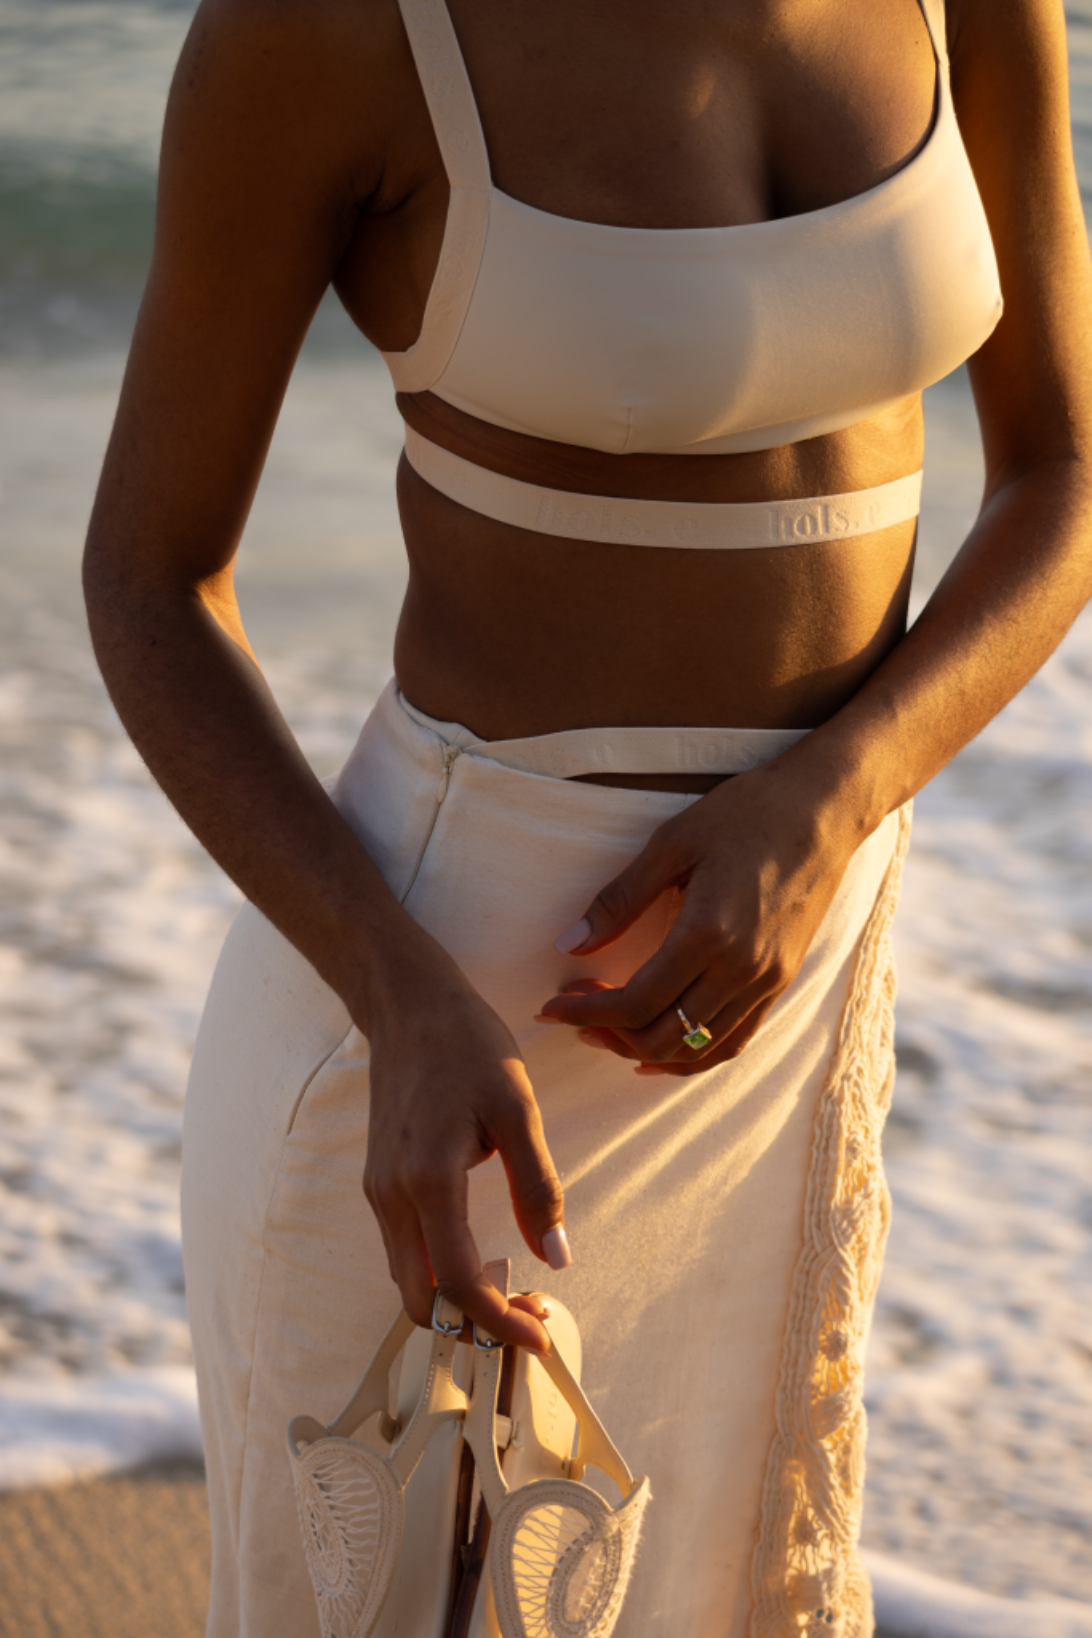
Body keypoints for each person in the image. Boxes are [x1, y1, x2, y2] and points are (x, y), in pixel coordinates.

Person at [83, 0, 1092, 1631]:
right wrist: (395, 995)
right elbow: (148, 578)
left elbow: (1063, 478)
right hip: (434, 1042)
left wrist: (834, 795)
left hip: (782, 998)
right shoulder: (334, 30)